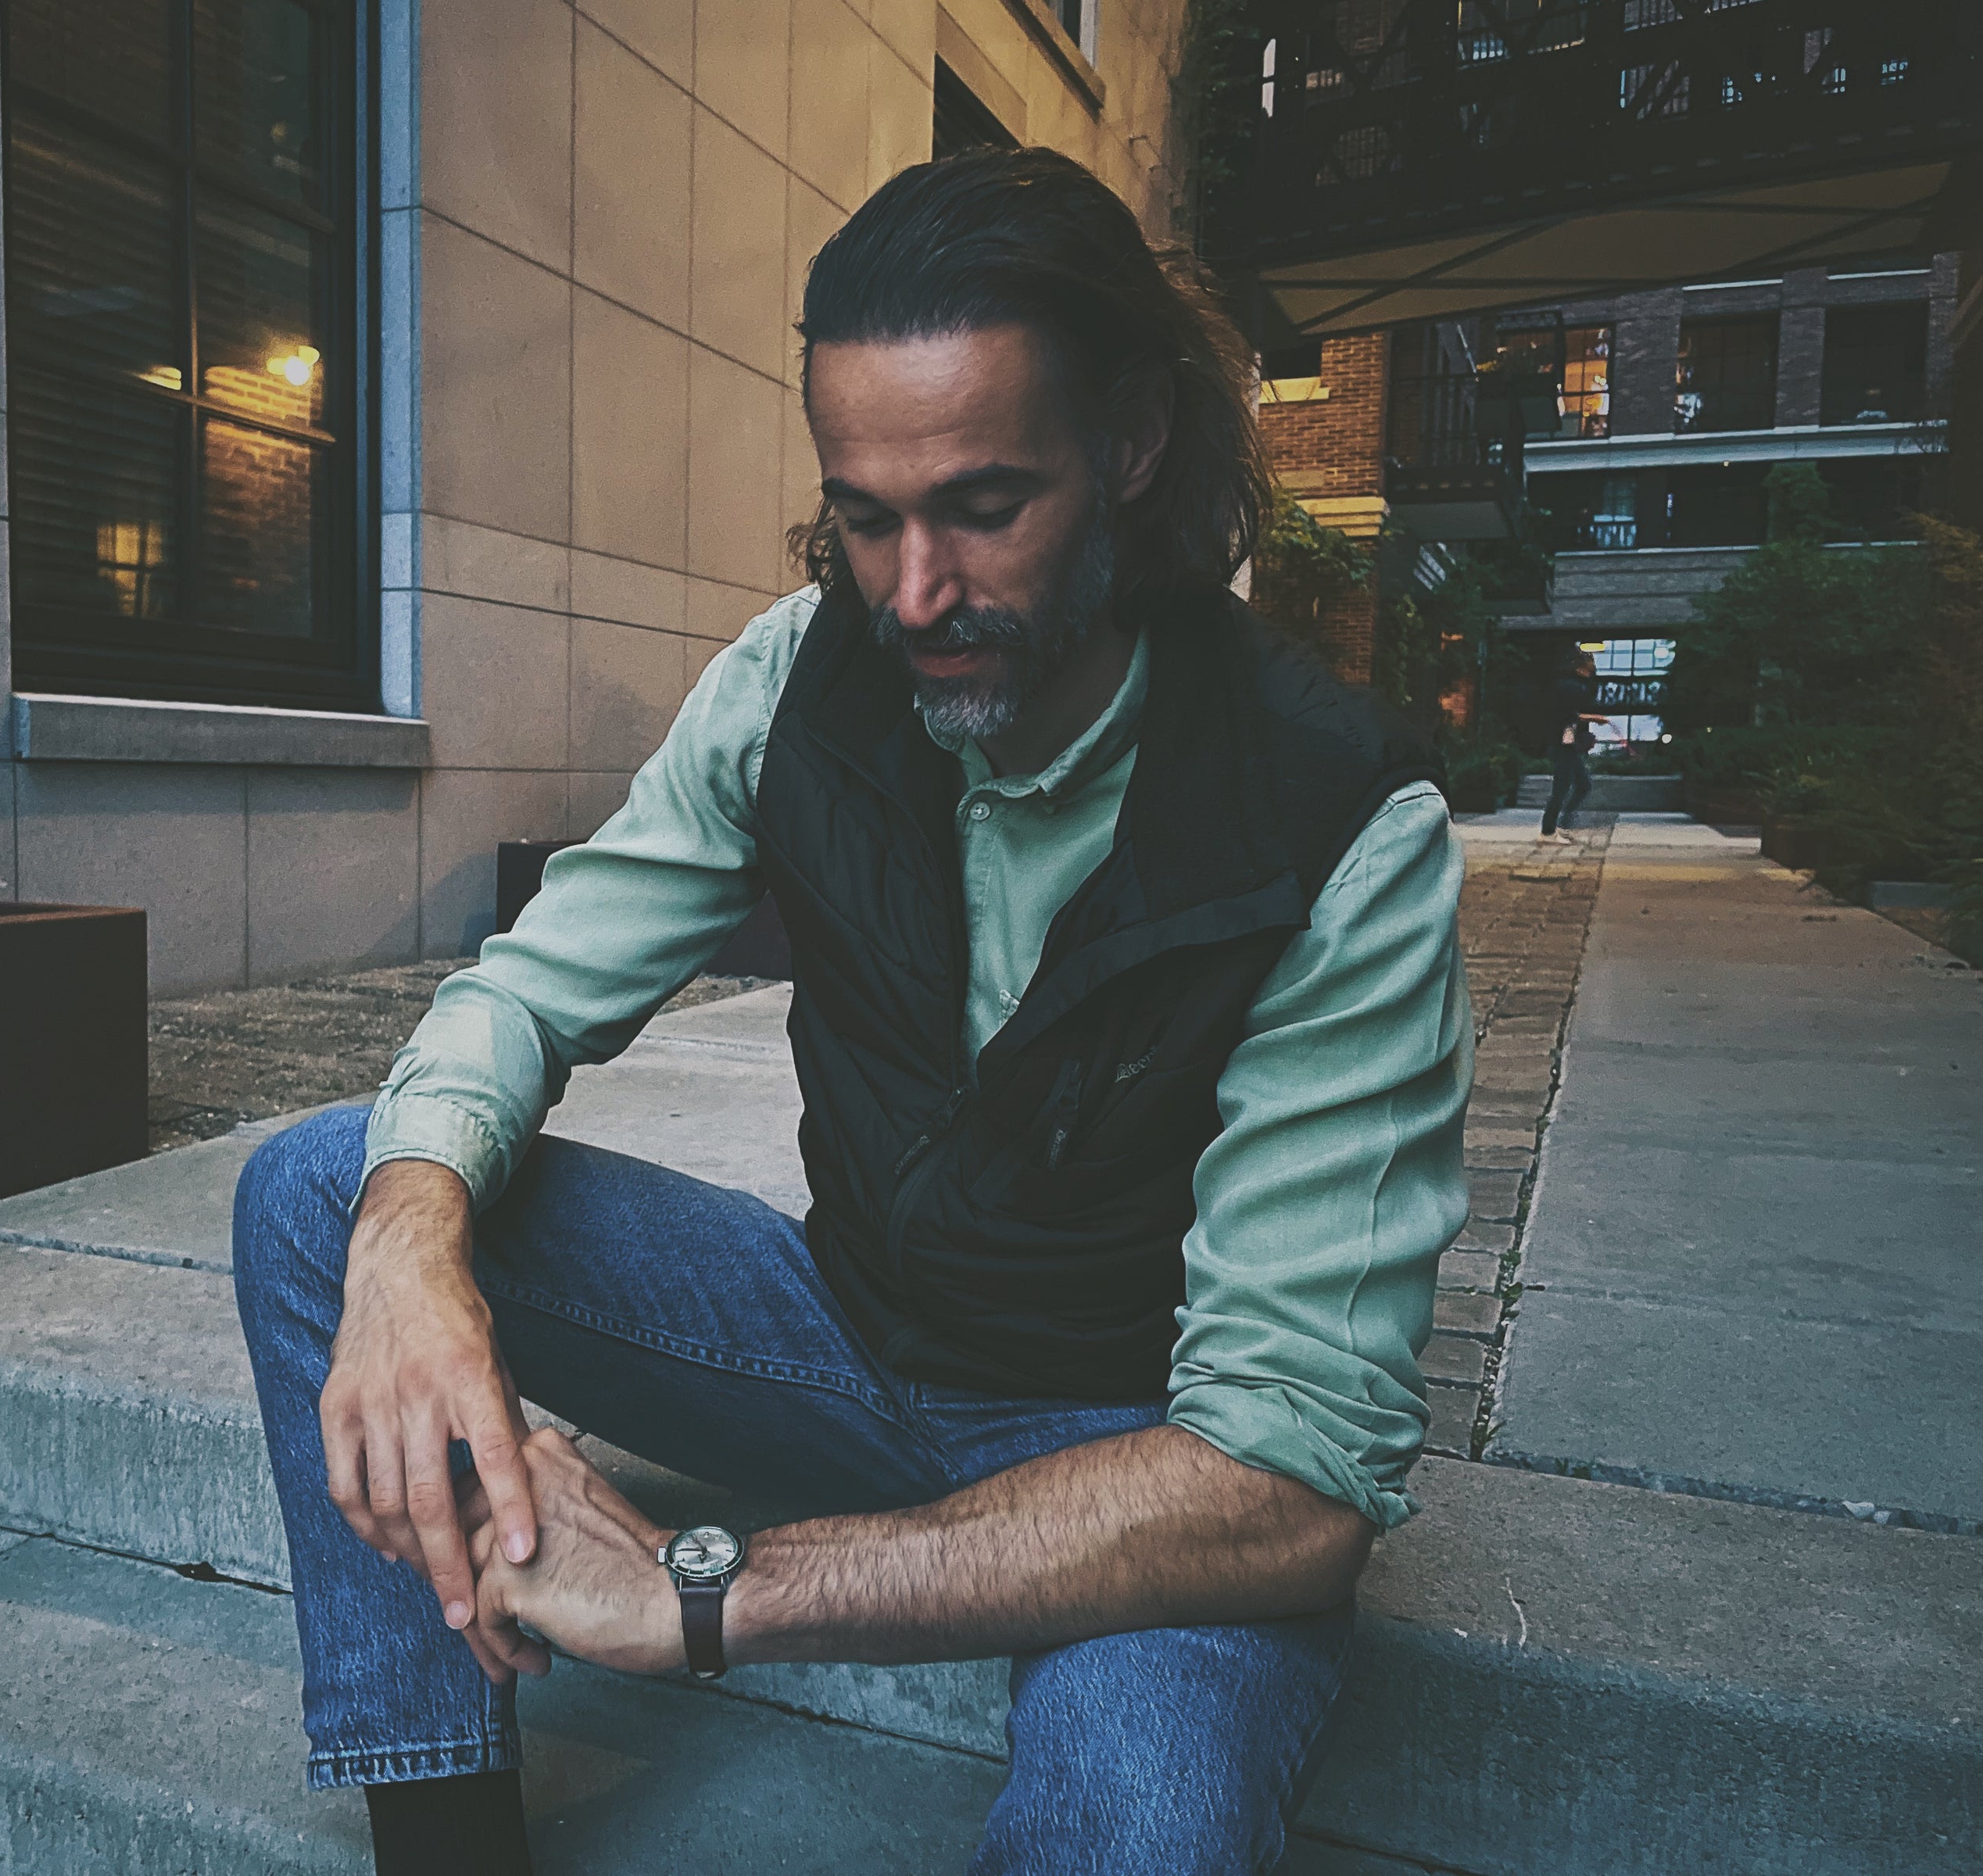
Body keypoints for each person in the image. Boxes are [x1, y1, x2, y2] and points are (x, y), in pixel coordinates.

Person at [234, 149, 1472, 1876]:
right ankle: (444, 1843)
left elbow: (1286, 1489)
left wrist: (701, 1587)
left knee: (1142, 1829)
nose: (913, 593)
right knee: (319, 1192)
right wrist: (411, 1247)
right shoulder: (797, 674)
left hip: (1141, 1452)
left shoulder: (1337, 824)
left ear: (1129, 446)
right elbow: (525, 986)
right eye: (867, 515)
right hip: (840, 1347)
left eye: (982, 506)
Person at [1538, 650, 1616, 841]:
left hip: (1567, 743)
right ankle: (1549, 831)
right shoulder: (1571, 686)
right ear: (1582, 665)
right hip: (1563, 743)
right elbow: (1565, 714)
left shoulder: (1575, 685)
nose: (1594, 665)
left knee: (1581, 785)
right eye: (1591, 661)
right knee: (1563, 788)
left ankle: (1560, 826)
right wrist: (1594, 718)